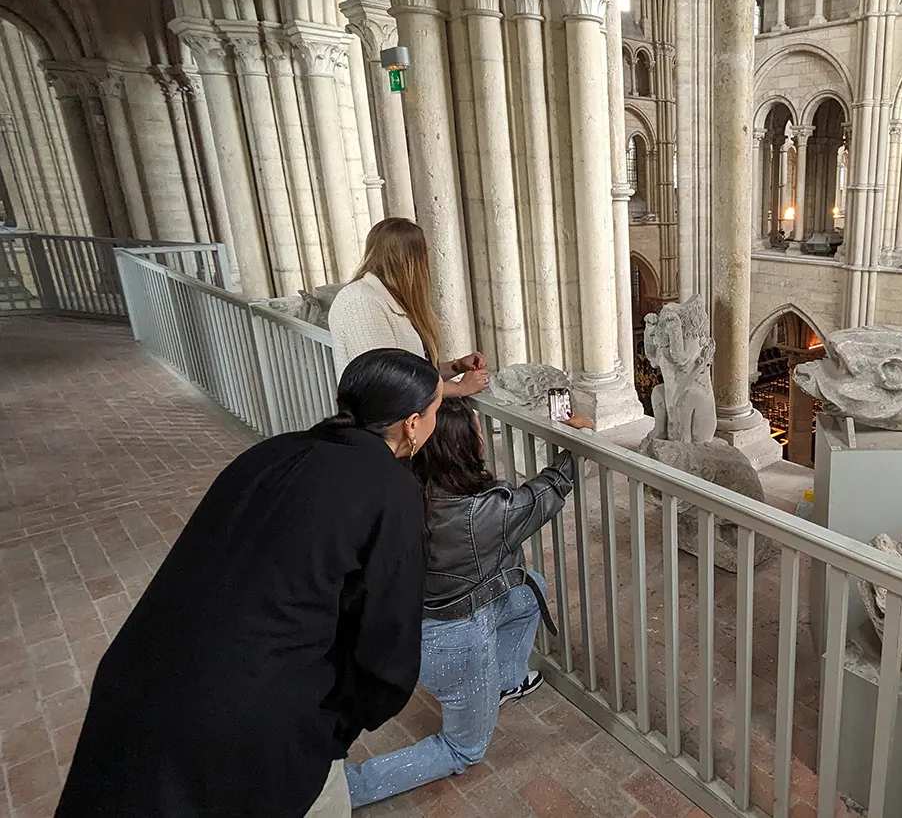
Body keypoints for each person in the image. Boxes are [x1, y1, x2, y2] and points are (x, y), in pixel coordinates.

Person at [57, 348, 443, 818]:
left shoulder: (274, 451)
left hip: (140, 682)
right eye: (437, 411)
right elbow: (388, 646)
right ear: (412, 424)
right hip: (249, 729)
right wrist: (334, 728)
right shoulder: (391, 492)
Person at [344, 397, 596, 807]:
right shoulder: (484, 512)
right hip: (453, 643)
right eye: (477, 429)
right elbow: (544, 494)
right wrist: (579, 441)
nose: (483, 435)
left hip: (404, 623)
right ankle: (349, 788)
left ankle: (501, 684)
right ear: (465, 445)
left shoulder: (397, 484)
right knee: (464, 749)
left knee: (530, 590)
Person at [329, 217, 490, 398]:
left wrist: (456, 366)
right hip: (385, 424)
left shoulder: (384, 297)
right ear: (411, 261)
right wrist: (460, 388)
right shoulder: (361, 302)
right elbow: (387, 383)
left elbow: (412, 373)